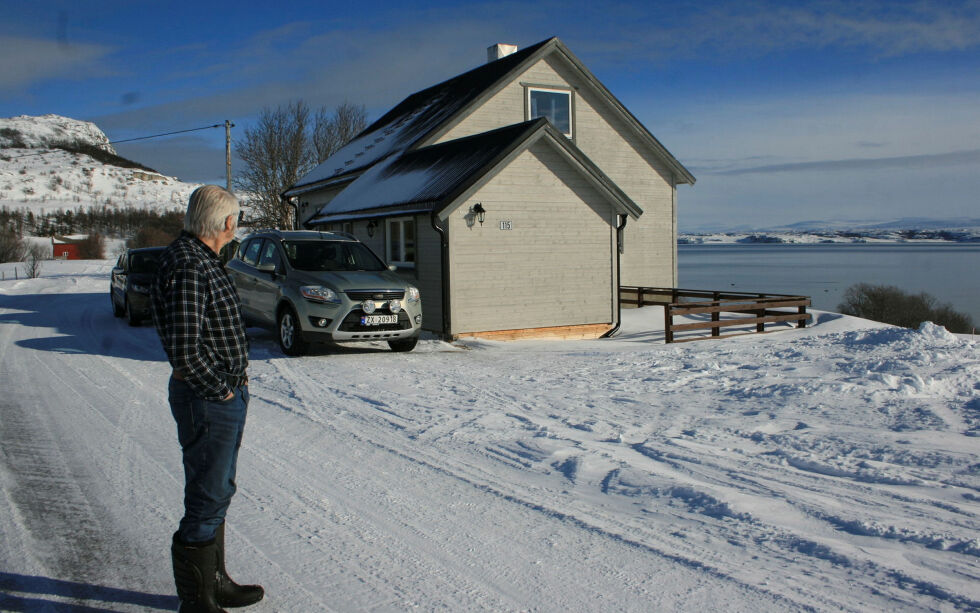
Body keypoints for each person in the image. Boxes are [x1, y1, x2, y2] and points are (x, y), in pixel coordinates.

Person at [151, 185, 263, 612]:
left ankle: (215, 583)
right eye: (236, 219)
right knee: (206, 494)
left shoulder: (203, 259)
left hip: (221, 394)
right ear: (226, 223)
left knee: (217, 490)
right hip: (207, 397)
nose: (238, 226)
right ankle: (197, 602)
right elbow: (184, 350)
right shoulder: (188, 265)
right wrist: (222, 390)